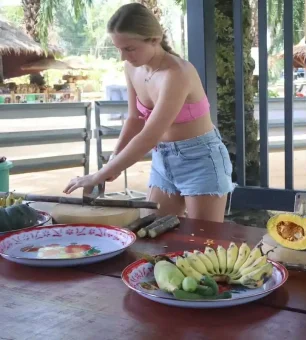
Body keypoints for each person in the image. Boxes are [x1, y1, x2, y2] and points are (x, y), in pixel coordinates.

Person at [63, 3, 234, 222]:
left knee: (200, 241)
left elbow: (148, 136)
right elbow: (135, 120)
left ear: (154, 39)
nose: (123, 56)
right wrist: (113, 163)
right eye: (119, 49)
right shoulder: (132, 68)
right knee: (155, 232)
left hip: (200, 159)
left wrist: (98, 175)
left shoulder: (177, 73)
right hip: (163, 158)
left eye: (129, 48)